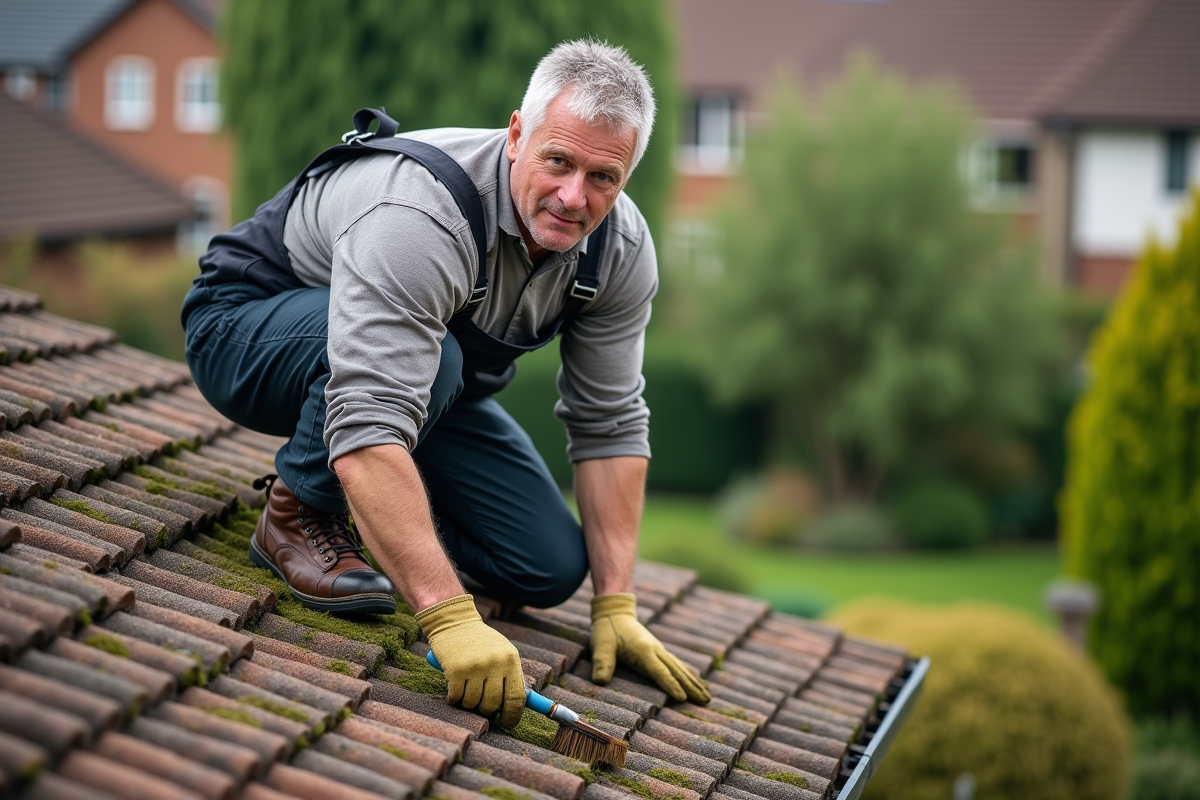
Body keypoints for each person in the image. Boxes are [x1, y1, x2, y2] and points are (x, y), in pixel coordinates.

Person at [182, 40, 709, 727]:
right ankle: (296, 512)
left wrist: (616, 604)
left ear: (627, 175)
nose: (574, 197)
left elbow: (609, 422)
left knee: (545, 566)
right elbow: (369, 413)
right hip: (246, 332)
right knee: (436, 363)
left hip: (419, 378)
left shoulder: (620, 251)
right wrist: (448, 615)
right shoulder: (425, 212)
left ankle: (384, 516)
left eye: (603, 177)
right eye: (558, 161)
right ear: (516, 135)